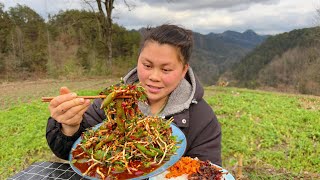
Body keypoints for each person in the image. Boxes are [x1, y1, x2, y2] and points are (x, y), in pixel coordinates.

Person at [46, 24, 222, 166]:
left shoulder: (203, 120)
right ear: (138, 60)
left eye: (166, 69)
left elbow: (207, 170)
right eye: (147, 65)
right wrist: (69, 128)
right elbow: (72, 152)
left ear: (184, 70)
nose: (154, 77)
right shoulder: (116, 99)